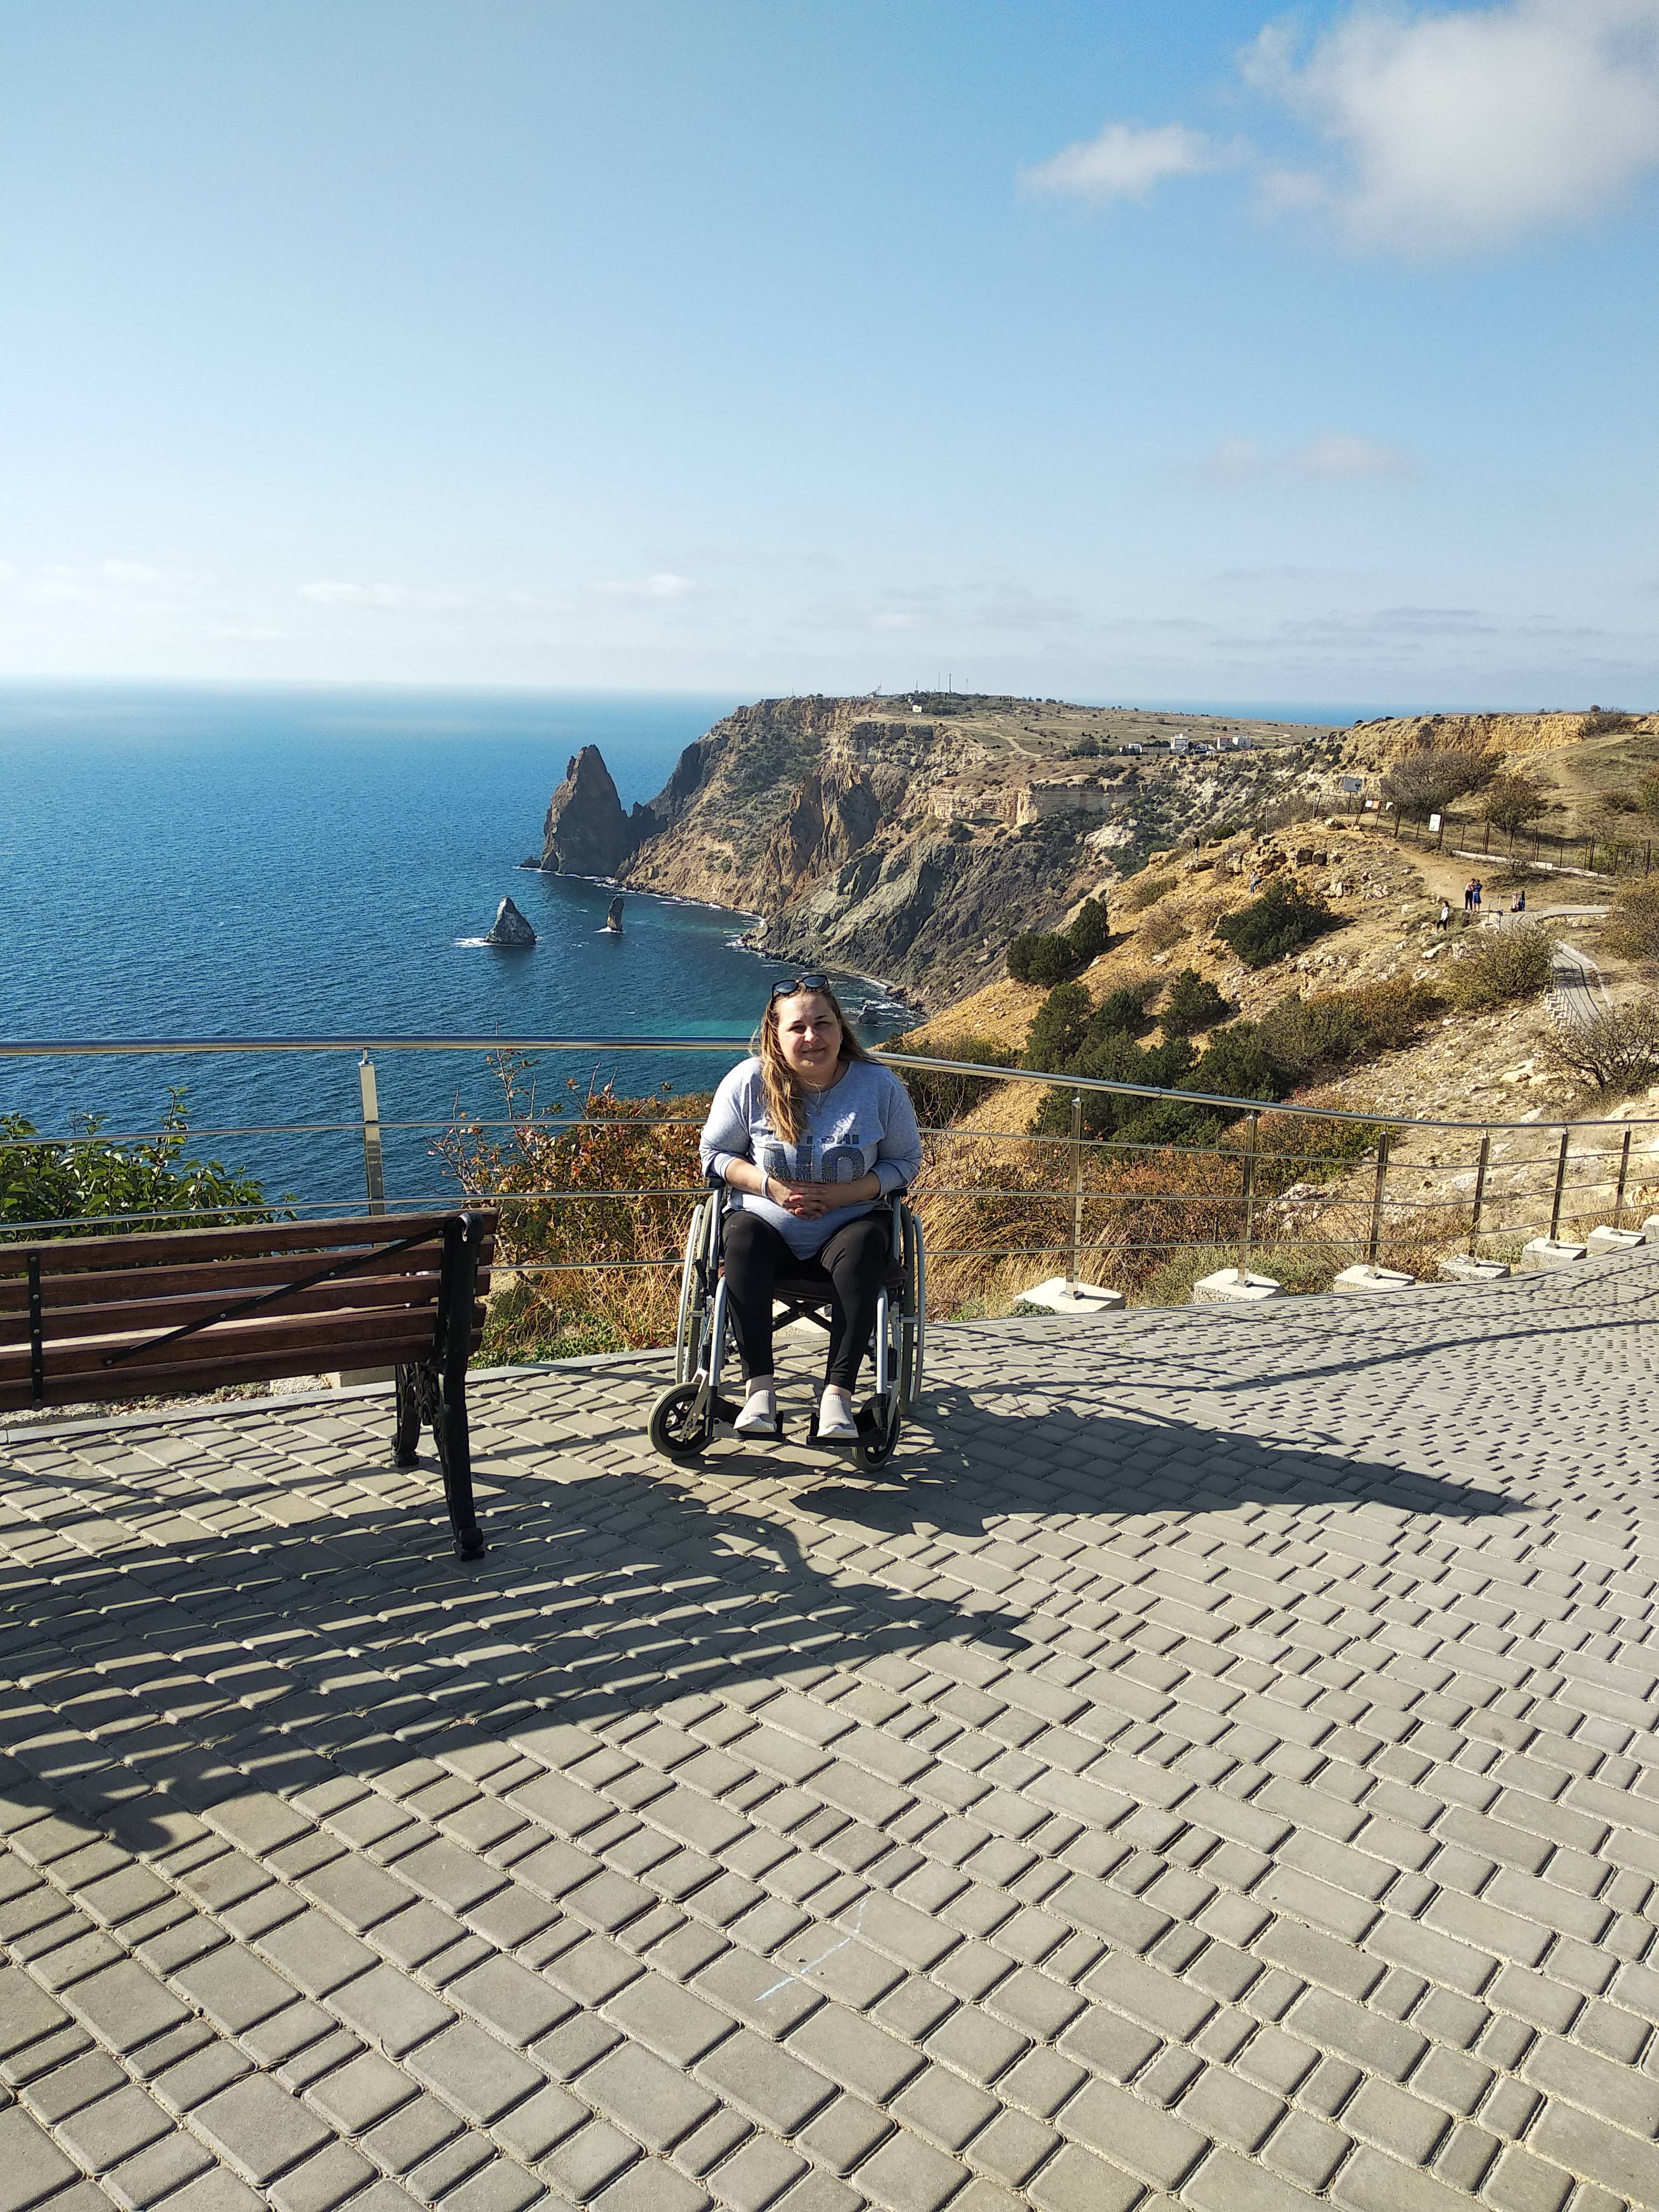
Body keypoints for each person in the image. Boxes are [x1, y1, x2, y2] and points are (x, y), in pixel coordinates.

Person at [700, 975, 923, 1442]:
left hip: (849, 1228)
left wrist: (848, 1195)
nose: (811, 1037)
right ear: (775, 1036)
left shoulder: (879, 1087)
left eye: (823, 1024)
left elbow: (906, 1161)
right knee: (738, 1235)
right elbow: (715, 1156)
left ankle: (836, 1399)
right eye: (797, 1027)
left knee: (866, 1243)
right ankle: (759, 1392)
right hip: (767, 1227)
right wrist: (769, 1187)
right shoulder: (748, 1082)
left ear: (841, 1029)